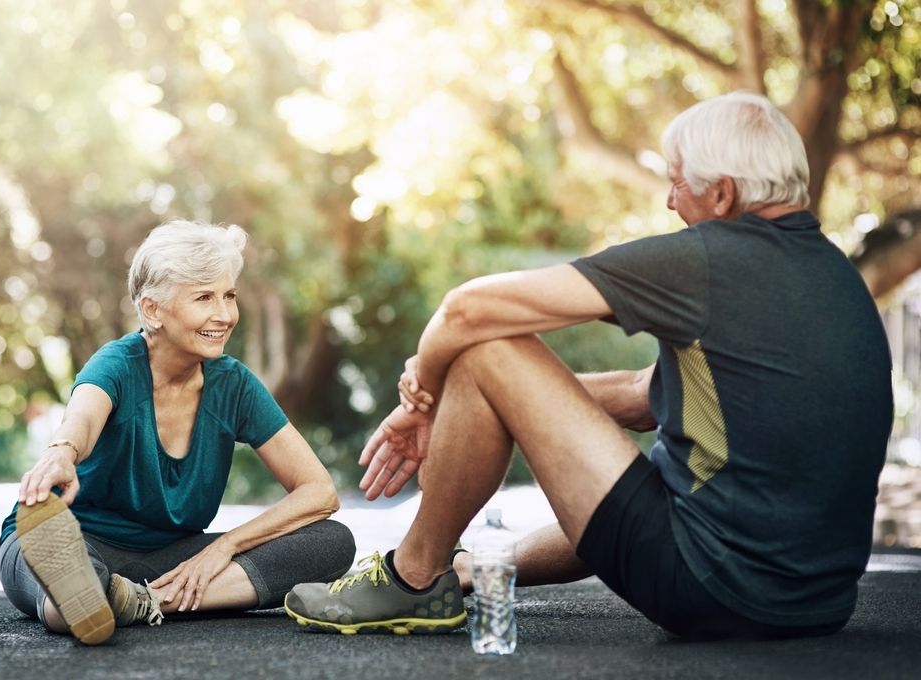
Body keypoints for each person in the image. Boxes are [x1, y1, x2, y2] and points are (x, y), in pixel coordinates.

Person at [283, 92, 894, 639]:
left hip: (711, 589)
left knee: (486, 349)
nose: (667, 200)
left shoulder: (708, 261)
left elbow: (466, 310)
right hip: (814, 605)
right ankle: (464, 572)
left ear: (723, 193)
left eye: (677, 184)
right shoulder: (833, 278)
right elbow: (636, 394)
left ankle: (414, 577)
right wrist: (493, 408)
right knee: (523, 390)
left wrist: (425, 395)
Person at [0, 220, 356, 645]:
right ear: (152, 310)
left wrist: (222, 548)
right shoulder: (116, 364)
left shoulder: (233, 385)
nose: (224, 315)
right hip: (81, 540)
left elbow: (318, 492)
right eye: (204, 297)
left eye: (229, 296)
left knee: (332, 542)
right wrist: (61, 451)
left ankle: (138, 603)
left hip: (170, 556)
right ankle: (84, 600)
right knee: (72, 589)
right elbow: (84, 416)